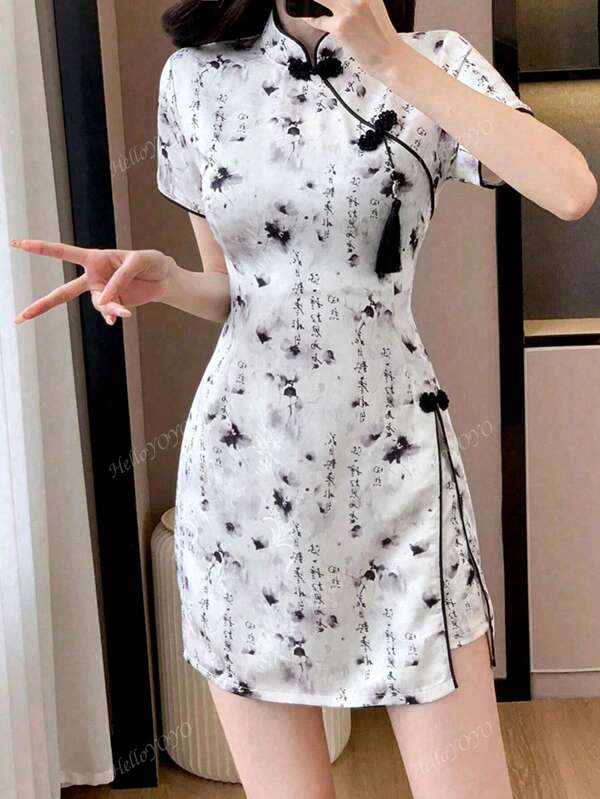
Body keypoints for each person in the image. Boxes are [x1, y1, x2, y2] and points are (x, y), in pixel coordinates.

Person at [11, 0, 596, 797]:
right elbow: (239, 291)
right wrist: (171, 281)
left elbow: (570, 188)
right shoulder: (195, 80)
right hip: (246, 486)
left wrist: (391, 62)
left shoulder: (433, 61)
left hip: (398, 485)